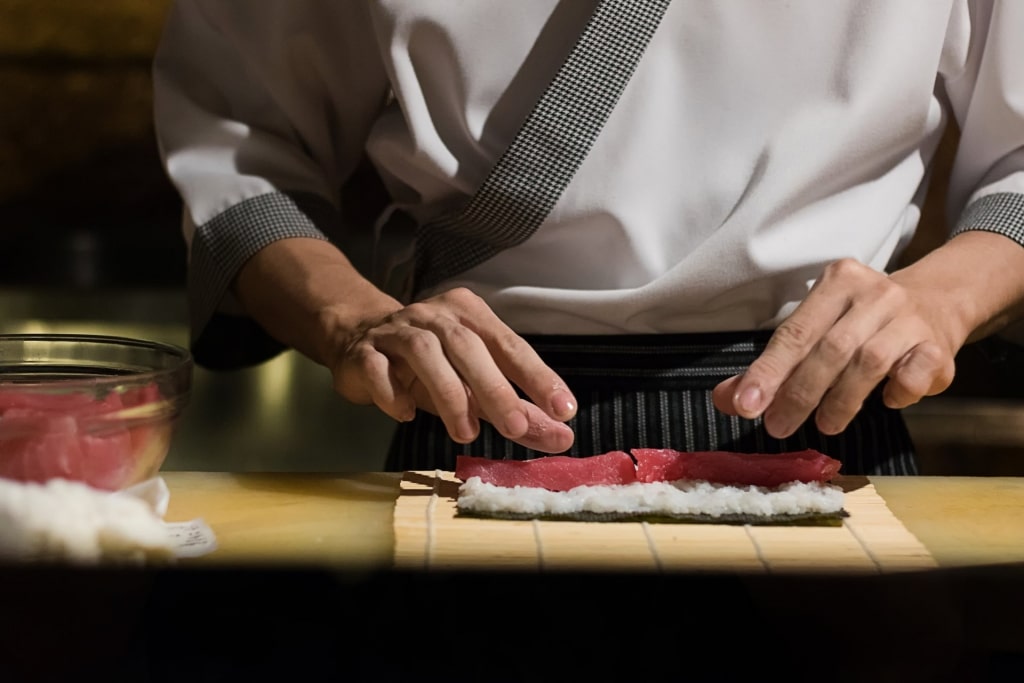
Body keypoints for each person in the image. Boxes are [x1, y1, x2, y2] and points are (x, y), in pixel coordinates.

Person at [151, 0, 1024, 475]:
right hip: (478, 416)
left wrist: (940, 300)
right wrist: (350, 319)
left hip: (822, 411)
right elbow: (237, 134)